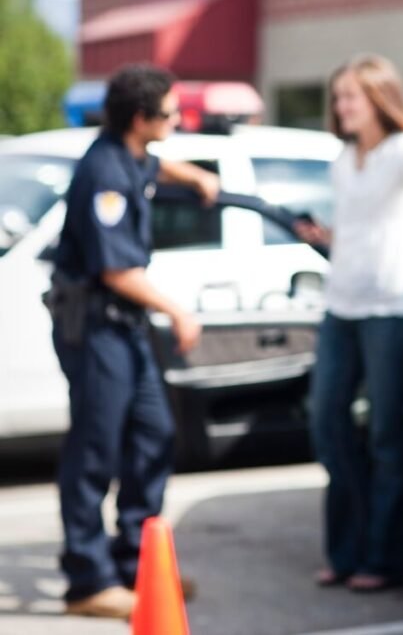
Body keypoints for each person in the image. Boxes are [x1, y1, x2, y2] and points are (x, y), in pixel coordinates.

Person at [49, 63, 219, 618]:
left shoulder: (133, 155)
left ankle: (136, 563)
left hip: (124, 327)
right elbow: (117, 271)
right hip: (96, 325)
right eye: (170, 113)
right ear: (142, 118)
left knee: (153, 434)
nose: (177, 120)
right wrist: (179, 313)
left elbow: (153, 167)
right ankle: (87, 580)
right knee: (95, 449)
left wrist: (192, 175)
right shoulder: (104, 174)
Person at [296, 53, 403, 592]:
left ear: (378, 98)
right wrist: (325, 238)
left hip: (391, 308)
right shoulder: (343, 157)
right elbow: (356, 226)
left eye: (350, 96)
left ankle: (384, 559)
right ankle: (347, 550)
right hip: (342, 304)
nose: (341, 106)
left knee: (385, 432)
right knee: (327, 423)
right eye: (338, 98)